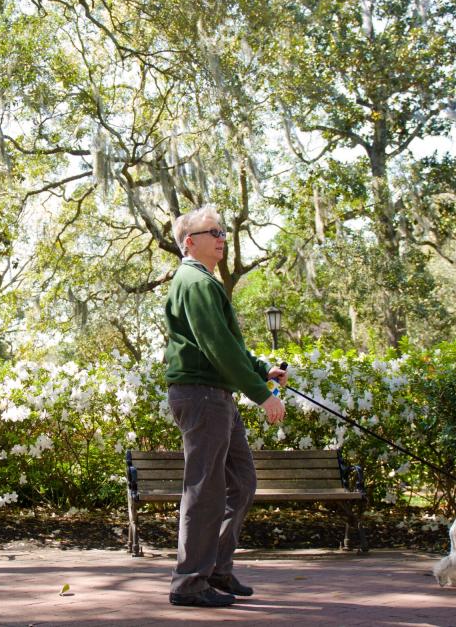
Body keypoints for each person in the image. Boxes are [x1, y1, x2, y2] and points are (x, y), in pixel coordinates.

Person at [163, 204, 287, 608]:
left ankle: (215, 567)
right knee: (204, 489)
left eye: (222, 232)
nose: (221, 238)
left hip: (216, 395)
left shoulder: (204, 281)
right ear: (189, 242)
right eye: (213, 232)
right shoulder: (194, 281)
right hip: (202, 396)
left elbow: (228, 345)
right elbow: (216, 347)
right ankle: (189, 582)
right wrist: (262, 394)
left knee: (241, 483)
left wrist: (261, 369)